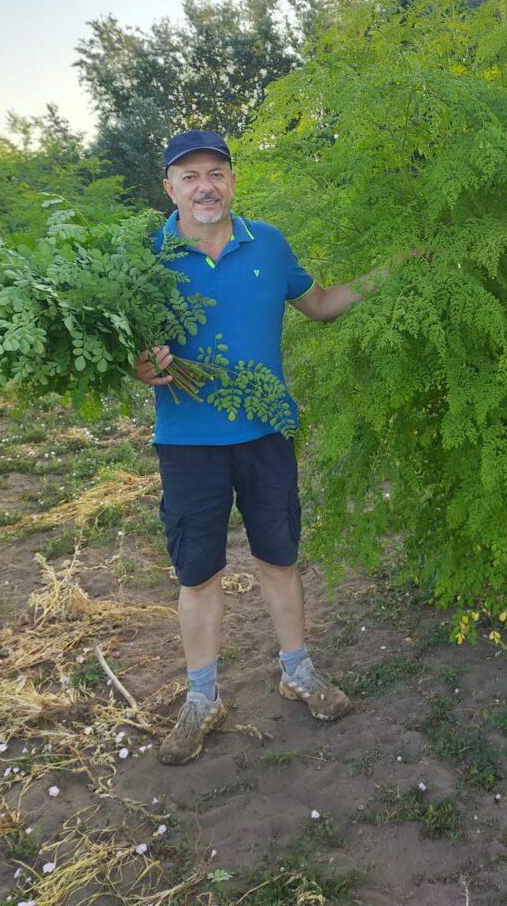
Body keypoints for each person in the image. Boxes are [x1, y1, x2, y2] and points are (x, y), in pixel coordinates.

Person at [135, 129, 377, 766]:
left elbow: (319, 304)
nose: (205, 186)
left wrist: (390, 273)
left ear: (233, 181)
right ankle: (201, 697)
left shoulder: (267, 242)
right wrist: (138, 367)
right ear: (170, 188)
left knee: (279, 556)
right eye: (190, 176)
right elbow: (123, 349)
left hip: (268, 432)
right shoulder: (143, 261)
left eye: (216, 172)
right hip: (188, 442)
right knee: (199, 571)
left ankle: (297, 671)